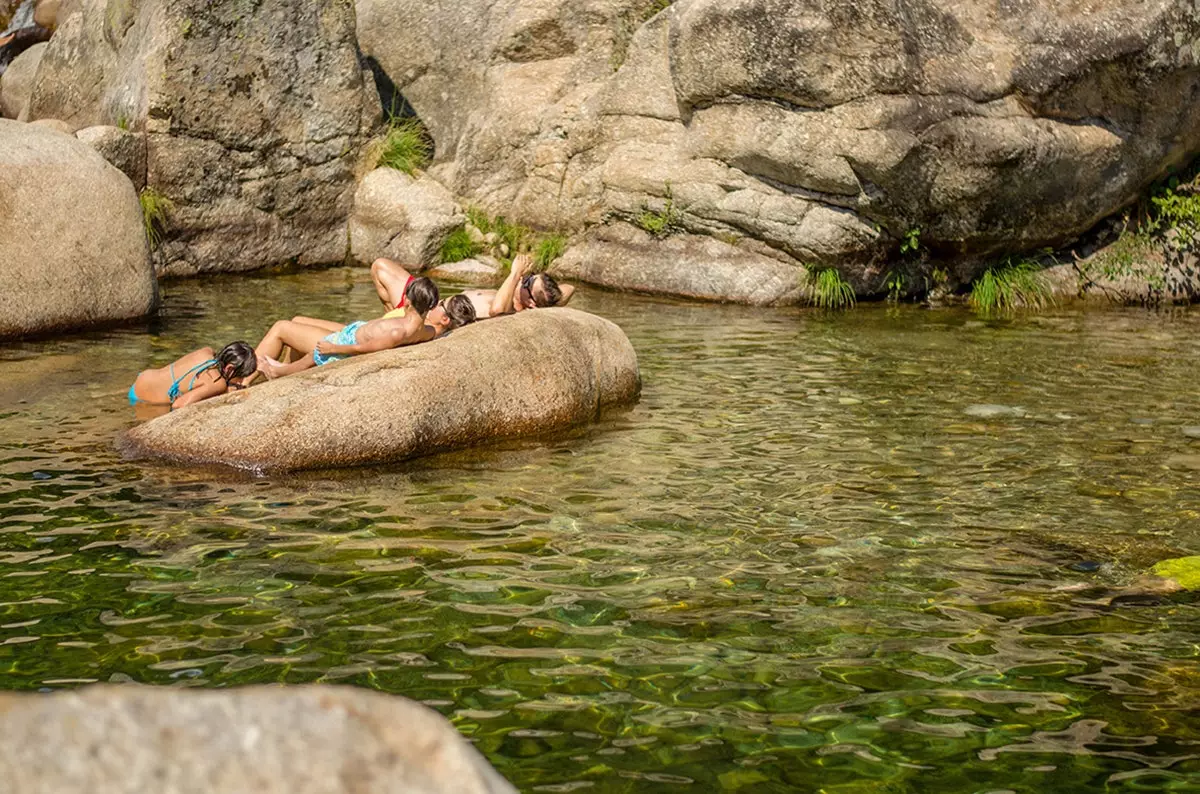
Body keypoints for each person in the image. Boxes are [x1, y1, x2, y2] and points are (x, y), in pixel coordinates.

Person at [372, 254, 574, 322]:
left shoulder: (510, 310)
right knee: (380, 267)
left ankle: (396, 324)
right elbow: (570, 288)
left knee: (382, 268)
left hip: (427, 313)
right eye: (528, 277)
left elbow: (496, 310)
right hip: (430, 301)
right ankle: (393, 318)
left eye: (528, 282)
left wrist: (514, 273)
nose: (524, 278)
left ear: (531, 302)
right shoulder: (512, 293)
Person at [128, 342, 257, 409]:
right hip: (142, 398)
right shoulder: (217, 383)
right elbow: (179, 405)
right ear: (229, 369)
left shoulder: (206, 351)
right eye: (240, 376)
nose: (241, 382)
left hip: (142, 379)